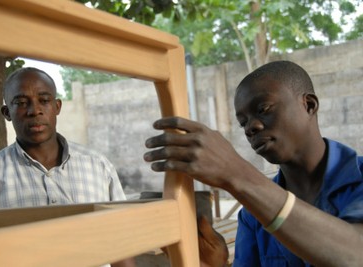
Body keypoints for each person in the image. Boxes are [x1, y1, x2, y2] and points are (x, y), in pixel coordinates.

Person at [144, 60, 363, 267]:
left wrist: (237, 174)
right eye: (243, 122)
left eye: (264, 109)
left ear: (309, 105)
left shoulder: (358, 180)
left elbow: (356, 254)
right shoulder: (252, 216)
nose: (251, 127)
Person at [0, 67, 135, 267]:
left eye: (44, 101)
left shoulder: (98, 167)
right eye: (20, 103)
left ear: (57, 106)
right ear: (6, 112)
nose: (34, 110)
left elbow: (121, 243)